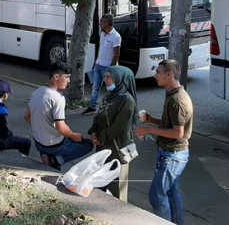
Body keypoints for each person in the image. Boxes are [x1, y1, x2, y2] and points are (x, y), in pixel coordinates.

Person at [134, 59, 193, 225]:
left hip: (172, 156)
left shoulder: (177, 100)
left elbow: (179, 133)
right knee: (172, 194)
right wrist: (152, 120)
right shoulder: (174, 95)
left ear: (169, 74)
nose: (155, 76)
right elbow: (172, 125)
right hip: (173, 155)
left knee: (157, 196)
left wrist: (149, 129)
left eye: (158, 72)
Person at [25, 62, 93, 170]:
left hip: (38, 142)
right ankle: (56, 160)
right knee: (88, 145)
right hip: (54, 145)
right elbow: (60, 127)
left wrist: (42, 129)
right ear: (56, 77)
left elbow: (27, 116)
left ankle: (47, 156)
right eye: (67, 77)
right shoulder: (58, 98)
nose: (68, 81)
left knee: (54, 167)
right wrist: (72, 135)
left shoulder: (36, 93)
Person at [87, 65, 137, 201]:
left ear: (119, 79)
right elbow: (98, 116)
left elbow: (118, 126)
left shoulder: (126, 100)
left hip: (117, 148)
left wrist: (100, 137)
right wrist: (93, 132)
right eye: (105, 76)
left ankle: (119, 212)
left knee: (117, 185)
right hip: (102, 144)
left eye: (108, 77)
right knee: (99, 180)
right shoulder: (109, 96)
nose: (105, 80)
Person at [82, 14, 122, 115]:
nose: (99, 23)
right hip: (98, 64)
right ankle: (92, 106)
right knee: (95, 87)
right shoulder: (103, 34)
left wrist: (112, 68)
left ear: (106, 23)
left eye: (101, 22)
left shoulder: (116, 36)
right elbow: (101, 50)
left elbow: (116, 54)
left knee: (111, 88)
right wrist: (96, 62)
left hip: (108, 67)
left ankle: (113, 107)